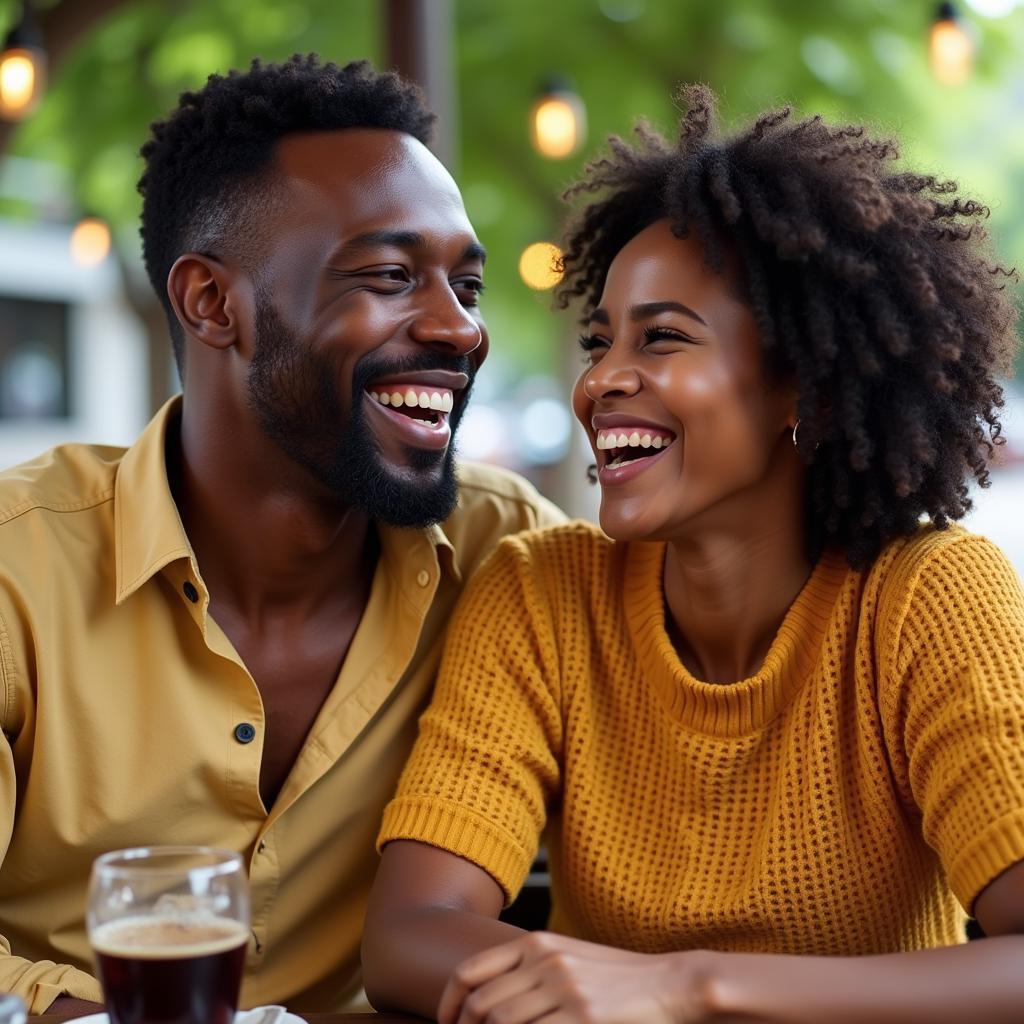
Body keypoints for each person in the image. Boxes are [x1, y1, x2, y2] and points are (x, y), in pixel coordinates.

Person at [363, 85, 1024, 1023]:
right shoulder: (543, 593)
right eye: (600, 342)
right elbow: (408, 933)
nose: (601, 381)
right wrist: (583, 986)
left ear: (806, 386)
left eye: (662, 337)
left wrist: (689, 986)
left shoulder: (926, 596)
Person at [0, 55, 563, 1015]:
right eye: (390, 276)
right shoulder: (22, 567)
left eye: (465, 286)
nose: (461, 329)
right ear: (213, 303)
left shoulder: (512, 558)